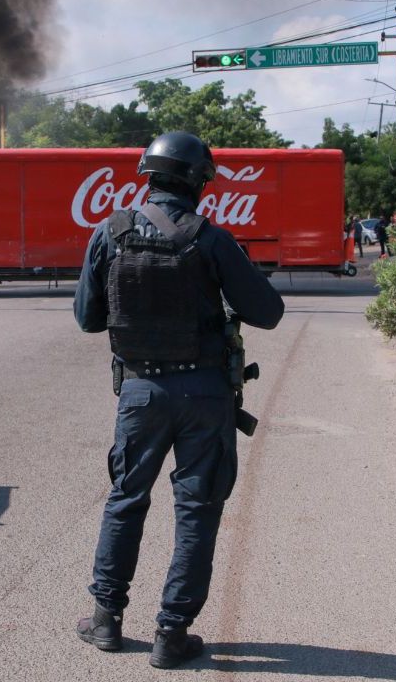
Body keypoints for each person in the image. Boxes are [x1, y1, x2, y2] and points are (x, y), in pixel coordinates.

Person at [74, 131, 285, 668]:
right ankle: (172, 633)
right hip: (204, 392)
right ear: (198, 182)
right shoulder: (211, 238)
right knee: (196, 509)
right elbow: (268, 311)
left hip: (140, 393)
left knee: (126, 499)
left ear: (148, 175)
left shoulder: (109, 232)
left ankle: (105, 620)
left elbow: (87, 319)